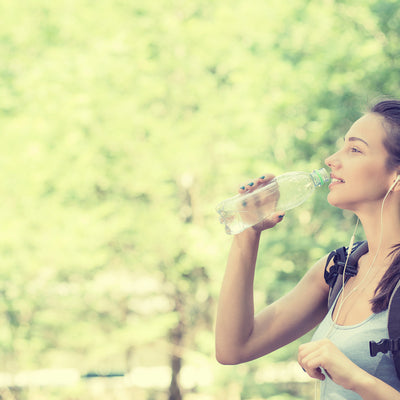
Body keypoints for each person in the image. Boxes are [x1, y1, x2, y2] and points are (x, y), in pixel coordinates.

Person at [215, 99, 400, 399]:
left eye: (355, 149)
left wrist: (354, 377)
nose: (331, 159)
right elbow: (233, 348)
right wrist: (247, 234)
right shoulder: (337, 271)